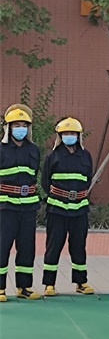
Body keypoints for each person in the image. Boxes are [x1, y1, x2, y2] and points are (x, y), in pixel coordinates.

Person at [41, 117, 94, 296]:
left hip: (80, 208)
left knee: (78, 246)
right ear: (60, 136)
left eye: (73, 133)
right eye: (66, 133)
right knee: (54, 245)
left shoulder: (85, 156)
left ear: (79, 136)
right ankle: (49, 284)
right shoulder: (53, 156)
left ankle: (81, 282)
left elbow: (88, 179)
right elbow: (45, 182)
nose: (69, 136)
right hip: (57, 208)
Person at [0, 104, 42, 301]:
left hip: (28, 206)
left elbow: (34, 175)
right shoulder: (1, 149)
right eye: (16, 125)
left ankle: (24, 286)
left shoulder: (33, 149)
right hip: (6, 206)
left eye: (24, 125)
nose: (21, 129)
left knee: (27, 247)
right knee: (2, 246)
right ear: (8, 128)